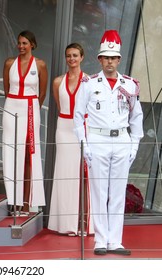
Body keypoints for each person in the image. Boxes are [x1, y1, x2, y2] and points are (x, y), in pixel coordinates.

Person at [74, 30, 143, 255]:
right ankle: (101, 240)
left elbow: (137, 118)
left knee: (117, 192)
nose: (110, 61)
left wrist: (134, 145)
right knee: (99, 191)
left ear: (119, 60)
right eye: (106, 57)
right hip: (97, 139)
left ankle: (116, 241)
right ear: (100, 59)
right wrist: (84, 144)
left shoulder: (130, 85)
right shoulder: (89, 83)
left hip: (121, 140)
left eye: (113, 58)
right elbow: (77, 115)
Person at [48, 43, 94, 236]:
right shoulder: (58, 82)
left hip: (84, 128)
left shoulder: (90, 81)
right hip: (64, 128)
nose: (72, 59)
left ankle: (84, 222)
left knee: (85, 175)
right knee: (65, 175)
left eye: (75, 55)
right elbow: (60, 106)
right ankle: (66, 224)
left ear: (82, 57)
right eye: (68, 56)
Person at [2, 30, 47, 216]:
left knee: (29, 154)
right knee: (11, 151)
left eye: (25, 43)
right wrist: (15, 103)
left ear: (32, 45)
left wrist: (32, 108)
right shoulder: (9, 63)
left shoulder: (40, 64)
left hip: (30, 107)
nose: (21, 46)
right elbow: (6, 88)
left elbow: (42, 93)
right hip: (11, 105)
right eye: (19, 43)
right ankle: (13, 201)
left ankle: (27, 202)